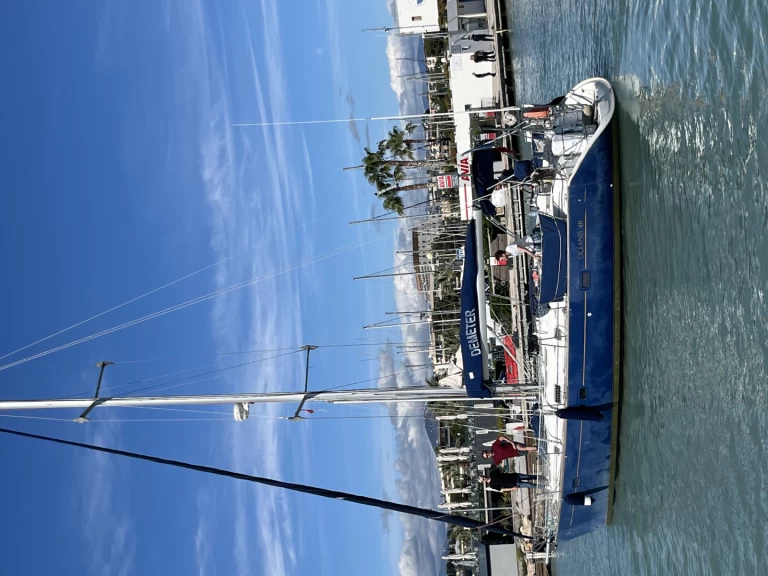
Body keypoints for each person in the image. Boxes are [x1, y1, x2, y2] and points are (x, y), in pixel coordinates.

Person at [479, 468, 545, 491]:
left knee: (530, 477)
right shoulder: (492, 485)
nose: (484, 478)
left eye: (483, 477)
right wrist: (512, 488)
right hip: (514, 484)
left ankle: (544, 478)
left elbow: (500, 468)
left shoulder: (492, 473)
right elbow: (502, 489)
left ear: (484, 475)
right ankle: (544, 487)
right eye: (483, 479)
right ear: (483, 482)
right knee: (530, 485)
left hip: (515, 476)